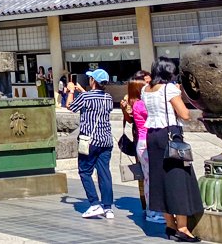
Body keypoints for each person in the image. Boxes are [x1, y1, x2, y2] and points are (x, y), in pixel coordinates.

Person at [142, 57, 203, 242]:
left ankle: (169, 225)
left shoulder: (146, 89)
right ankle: (182, 228)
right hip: (170, 135)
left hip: (152, 136)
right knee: (178, 178)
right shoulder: (169, 89)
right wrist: (179, 94)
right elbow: (184, 114)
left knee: (159, 180)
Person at [66, 68, 116, 219]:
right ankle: (108, 207)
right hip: (106, 140)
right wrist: (82, 91)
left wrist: (70, 91)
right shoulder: (108, 97)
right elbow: (93, 100)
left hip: (89, 141)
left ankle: (94, 204)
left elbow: (70, 106)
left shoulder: (86, 97)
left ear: (93, 81)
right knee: (104, 173)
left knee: (85, 171)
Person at [122, 71, 164, 223]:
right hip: (145, 143)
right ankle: (152, 212)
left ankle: (153, 210)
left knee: (150, 178)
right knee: (150, 178)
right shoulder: (141, 105)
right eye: (145, 85)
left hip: (146, 142)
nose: (149, 87)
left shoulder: (137, 103)